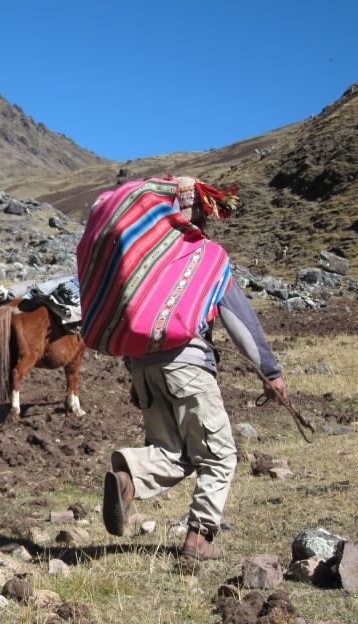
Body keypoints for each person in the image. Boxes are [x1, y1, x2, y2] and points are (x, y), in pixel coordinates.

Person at [78, 176, 288, 561]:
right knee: (219, 455)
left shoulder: (145, 258)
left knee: (172, 451)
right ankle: (199, 539)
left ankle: (128, 479)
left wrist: (135, 373)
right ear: (199, 215)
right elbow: (240, 322)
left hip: (142, 367)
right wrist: (270, 373)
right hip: (188, 365)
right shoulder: (206, 257)